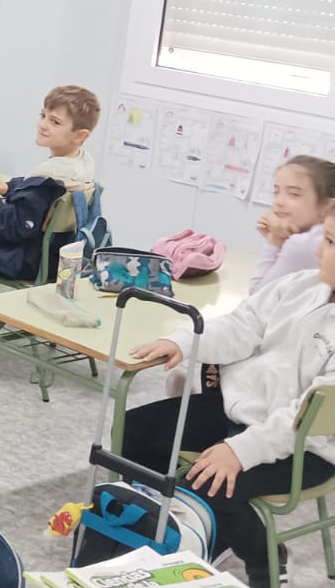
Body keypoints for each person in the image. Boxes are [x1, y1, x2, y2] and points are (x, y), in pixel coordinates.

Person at [129, 212, 335, 588]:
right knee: (133, 434)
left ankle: (266, 560)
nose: (320, 249)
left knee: (211, 485)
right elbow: (240, 327)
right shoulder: (299, 286)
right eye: (327, 238)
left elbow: (303, 415)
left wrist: (239, 451)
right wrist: (183, 341)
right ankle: (164, 534)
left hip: (306, 447)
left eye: (332, 244)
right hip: (234, 411)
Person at [0, 86, 100, 197]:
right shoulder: (85, 161)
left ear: (80, 136)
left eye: (55, 122)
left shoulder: (49, 174)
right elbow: (35, 193)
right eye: (43, 115)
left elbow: (13, 219)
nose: (43, 125)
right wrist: (9, 187)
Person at [252, 155, 334, 292]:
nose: (278, 201)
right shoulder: (316, 236)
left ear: (327, 205)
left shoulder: (304, 243)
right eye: (276, 192)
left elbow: (257, 295)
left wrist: (275, 240)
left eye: (293, 194)